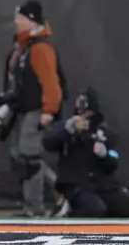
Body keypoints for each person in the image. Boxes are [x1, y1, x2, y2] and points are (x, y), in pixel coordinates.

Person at [0, 0, 66, 217]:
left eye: (20, 17)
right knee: (19, 154)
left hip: (36, 109)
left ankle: (35, 207)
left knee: (29, 156)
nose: (16, 21)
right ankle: (62, 192)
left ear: (31, 21)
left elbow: (50, 82)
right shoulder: (23, 49)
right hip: (23, 108)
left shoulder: (40, 48)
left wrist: (49, 110)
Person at [43, 87, 129, 217]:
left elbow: (113, 162)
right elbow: (48, 143)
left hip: (104, 185)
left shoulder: (105, 133)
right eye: (80, 112)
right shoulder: (65, 128)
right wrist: (67, 131)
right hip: (77, 185)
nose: (83, 116)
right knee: (94, 209)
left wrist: (105, 155)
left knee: (123, 205)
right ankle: (68, 209)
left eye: (87, 112)